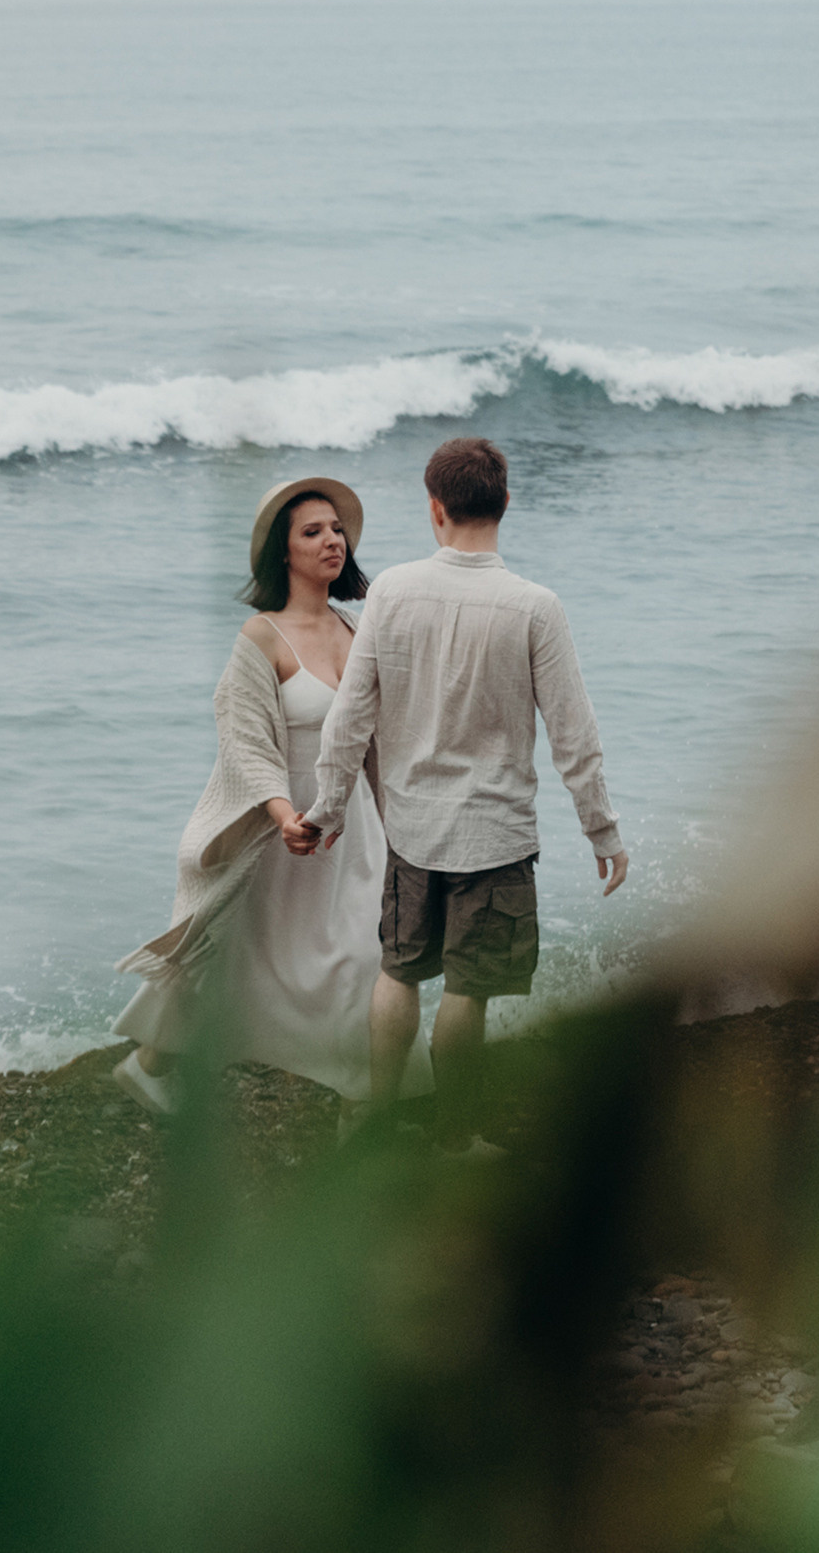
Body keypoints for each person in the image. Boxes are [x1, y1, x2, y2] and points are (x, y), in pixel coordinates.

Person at [302, 437, 627, 1153]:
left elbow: (348, 716)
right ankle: (455, 1138)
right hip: (493, 835)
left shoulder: (390, 591)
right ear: (505, 503)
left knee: (398, 974)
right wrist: (601, 830)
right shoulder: (535, 607)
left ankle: (377, 1119)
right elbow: (574, 733)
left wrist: (326, 808)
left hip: (410, 831)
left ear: (435, 509)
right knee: (466, 990)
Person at [112, 477, 431, 1118]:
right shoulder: (260, 637)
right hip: (278, 832)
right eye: (313, 532)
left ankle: (367, 1099)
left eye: (336, 529)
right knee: (231, 957)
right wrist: (285, 816)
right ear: (283, 552)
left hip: (354, 829)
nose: (332, 540)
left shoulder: (357, 628)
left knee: (367, 954)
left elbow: (385, 736)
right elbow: (245, 743)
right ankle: (149, 1065)